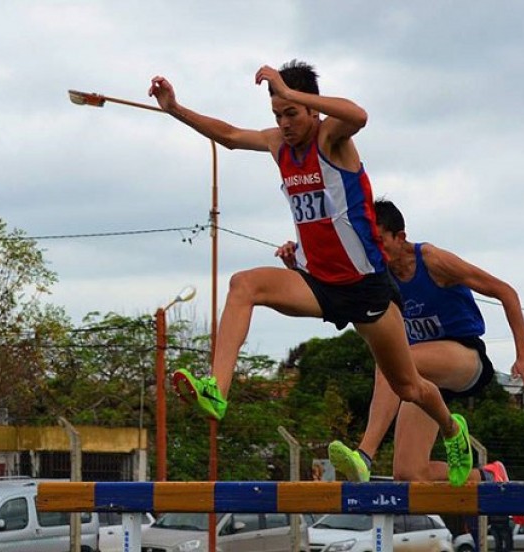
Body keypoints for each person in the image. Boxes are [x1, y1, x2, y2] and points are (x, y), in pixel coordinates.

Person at [148, 60, 473, 486]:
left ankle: (451, 430)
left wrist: (289, 90)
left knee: (409, 387)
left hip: (367, 288)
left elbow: (359, 115)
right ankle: (217, 390)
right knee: (244, 284)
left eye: (291, 114)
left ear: (311, 110)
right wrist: (175, 109)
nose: (284, 124)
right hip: (319, 283)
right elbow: (229, 136)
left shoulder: (332, 140)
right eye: (277, 115)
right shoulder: (277, 145)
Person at [278, 199, 524, 484]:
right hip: (420, 378)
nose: (375, 250)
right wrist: (298, 266)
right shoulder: (373, 274)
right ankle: (489, 475)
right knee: (409, 473)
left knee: (390, 360)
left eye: (381, 242)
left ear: (400, 237)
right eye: (369, 243)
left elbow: (506, 292)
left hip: (465, 358)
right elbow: (327, 292)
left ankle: (365, 454)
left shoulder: (433, 261)